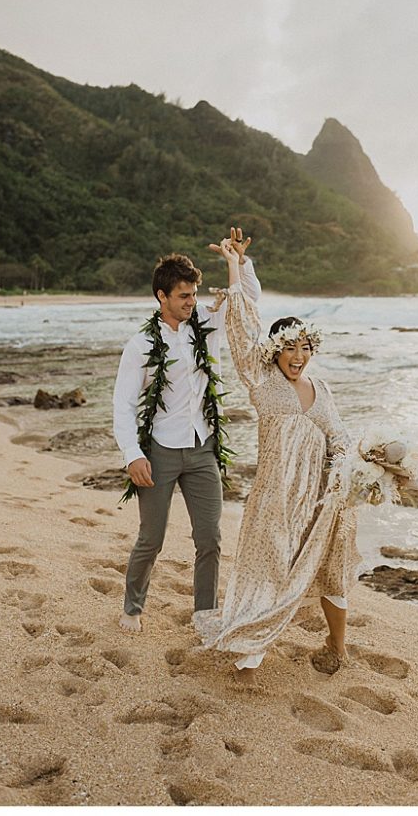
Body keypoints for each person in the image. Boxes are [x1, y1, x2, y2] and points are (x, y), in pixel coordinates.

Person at [192, 233, 402, 679]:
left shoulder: (321, 391)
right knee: (265, 576)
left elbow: (340, 438)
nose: (299, 356)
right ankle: (250, 654)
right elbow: (242, 324)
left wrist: (367, 467)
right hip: (273, 501)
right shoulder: (260, 380)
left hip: (318, 504)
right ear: (273, 351)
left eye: (306, 348)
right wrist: (235, 266)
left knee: (332, 573)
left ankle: (338, 647)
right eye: (290, 347)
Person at [111, 229, 261, 632]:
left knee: (210, 538)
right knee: (151, 539)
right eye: (184, 296)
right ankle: (132, 608)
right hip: (158, 452)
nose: (192, 303)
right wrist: (132, 454)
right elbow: (123, 405)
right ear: (162, 297)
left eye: (194, 295)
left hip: (202, 448)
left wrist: (240, 263)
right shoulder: (141, 344)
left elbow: (247, 303)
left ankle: (204, 614)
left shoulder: (205, 325)